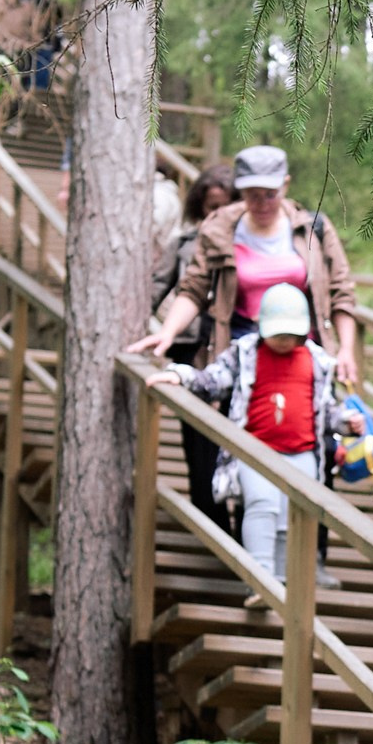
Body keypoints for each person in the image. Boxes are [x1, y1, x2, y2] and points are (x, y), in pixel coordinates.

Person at [149, 286, 359, 588]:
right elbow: (213, 380)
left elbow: (325, 411)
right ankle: (260, 581)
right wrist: (181, 375)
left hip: (301, 453)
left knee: (292, 518)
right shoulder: (246, 352)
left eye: (291, 334)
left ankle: (287, 585)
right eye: (278, 333)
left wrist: (348, 423)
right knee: (262, 505)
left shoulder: (317, 361)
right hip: (255, 451)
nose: (284, 341)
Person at [130, 145, 361, 382]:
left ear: (286, 185)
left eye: (270, 194)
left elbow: (341, 292)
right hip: (240, 358)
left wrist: (345, 349)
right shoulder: (220, 228)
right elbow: (194, 288)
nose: (262, 204)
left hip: (302, 356)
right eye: (253, 195)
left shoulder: (313, 229)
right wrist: (168, 332)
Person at [156, 163, 241, 525]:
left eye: (225, 205)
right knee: (197, 436)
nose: (217, 213)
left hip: (236, 349)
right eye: (211, 206)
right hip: (192, 349)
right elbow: (160, 284)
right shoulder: (183, 244)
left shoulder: (251, 244)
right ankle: (208, 515)